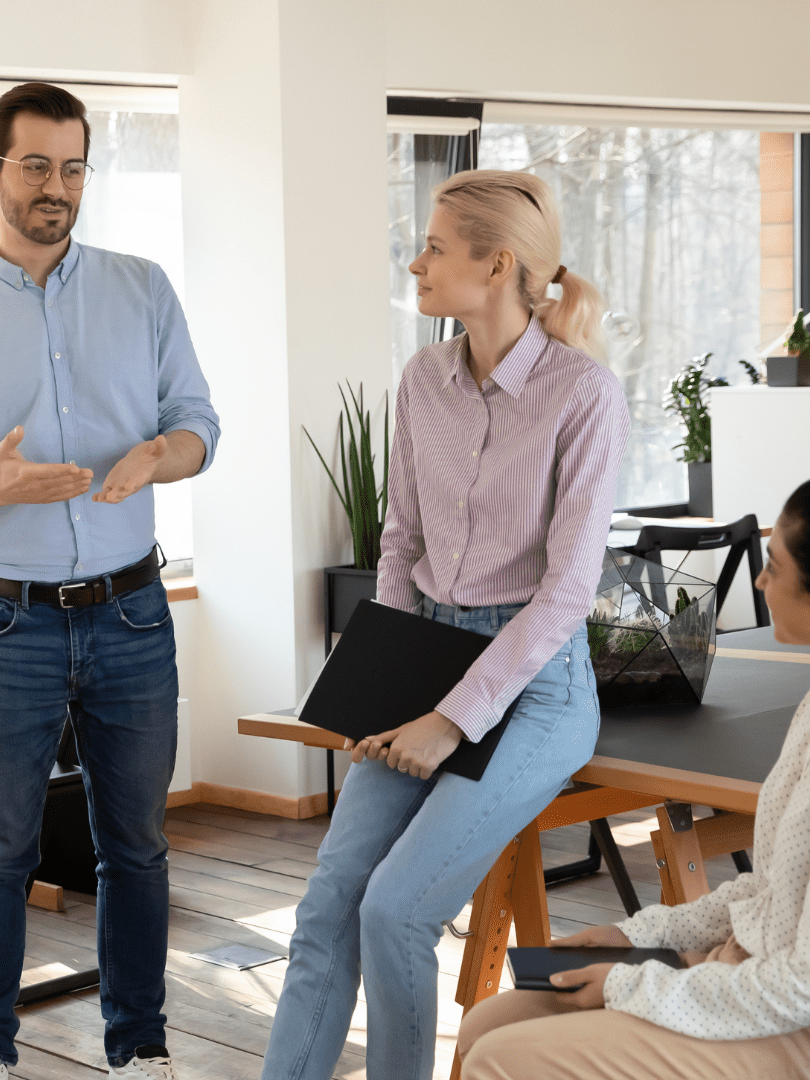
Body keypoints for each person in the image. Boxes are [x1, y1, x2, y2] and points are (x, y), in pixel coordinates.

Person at [260, 169, 629, 1080]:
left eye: (433, 245)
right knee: (328, 903)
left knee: (395, 911)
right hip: (423, 661)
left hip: (536, 693)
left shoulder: (584, 395)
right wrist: (380, 690)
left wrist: (452, 718)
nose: (415, 260)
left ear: (495, 263)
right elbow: (399, 544)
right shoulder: (423, 378)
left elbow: (565, 594)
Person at [0, 82, 219, 1080]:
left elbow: (201, 423)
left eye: (73, 167)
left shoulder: (143, 287)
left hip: (131, 610)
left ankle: (140, 1048)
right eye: (36, 166)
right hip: (7, 626)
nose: (57, 188)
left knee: (137, 847)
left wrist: (158, 456)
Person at [458, 468, 810, 1079]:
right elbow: (773, 894)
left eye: (776, 566)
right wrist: (634, 936)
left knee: (502, 1062)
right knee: (486, 1026)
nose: (761, 580)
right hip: (766, 984)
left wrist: (630, 987)